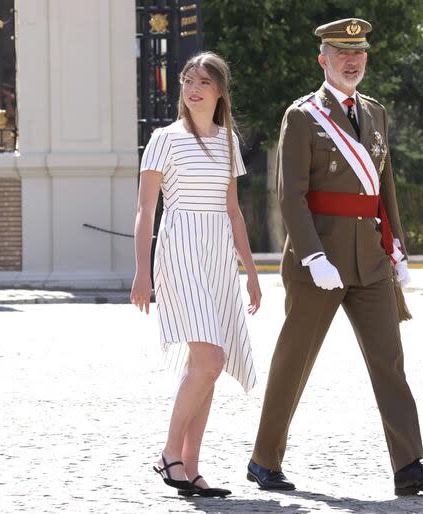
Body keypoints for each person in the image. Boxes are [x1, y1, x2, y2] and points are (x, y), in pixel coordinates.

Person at [245, 18, 423, 496]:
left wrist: (397, 247)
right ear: (323, 59)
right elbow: (291, 196)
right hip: (318, 261)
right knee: (294, 362)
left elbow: (385, 189)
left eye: (359, 52)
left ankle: (409, 466)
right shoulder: (303, 116)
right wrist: (313, 256)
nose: (351, 59)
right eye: (341, 52)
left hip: (370, 259)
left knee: (390, 361)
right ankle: (263, 459)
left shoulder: (376, 112)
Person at [130, 51, 261, 498]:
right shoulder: (164, 139)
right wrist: (141, 272)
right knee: (209, 360)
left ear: (220, 90)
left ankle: (190, 465)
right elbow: (147, 210)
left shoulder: (228, 141)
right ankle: (168, 454)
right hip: (179, 248)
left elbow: (234, 212)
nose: (193, 87)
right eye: (188, 79)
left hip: (219, 254)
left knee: (205, 366)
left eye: (204, 80)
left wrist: (252, 272)